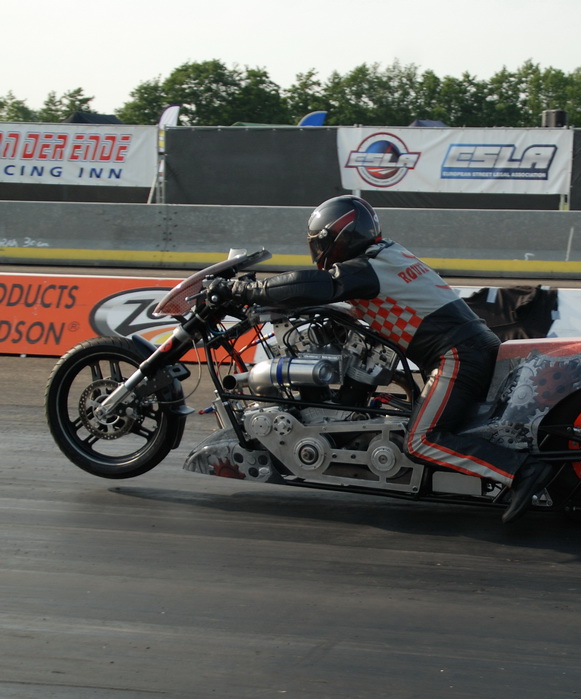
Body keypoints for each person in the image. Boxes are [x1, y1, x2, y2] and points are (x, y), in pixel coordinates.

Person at [209, 196, 554, 523]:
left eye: (318, 243)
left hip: (457, 354)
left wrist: (246, 290)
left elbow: (319, 284)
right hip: (471, 345)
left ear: (335, 239)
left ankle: (522, 471)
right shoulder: (388, 254)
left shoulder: (369, 267)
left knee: (422, 440)